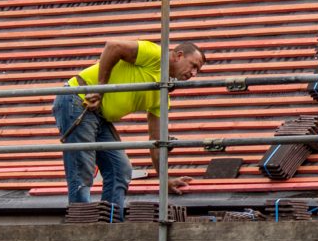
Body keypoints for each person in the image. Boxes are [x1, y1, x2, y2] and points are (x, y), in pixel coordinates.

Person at [53, 39, 206, 212]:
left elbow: (156, 142)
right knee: (82, 167)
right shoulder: (157, 55)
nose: (194, 74)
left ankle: (109, 222)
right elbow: (113, 46)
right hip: (79, 99)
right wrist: (100, 88)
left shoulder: (162, 94)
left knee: (120, 169)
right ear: (178, 56)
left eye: (197, 71)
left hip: (99, 115)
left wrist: (164, 180)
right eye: (193, 66)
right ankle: (80, 223)